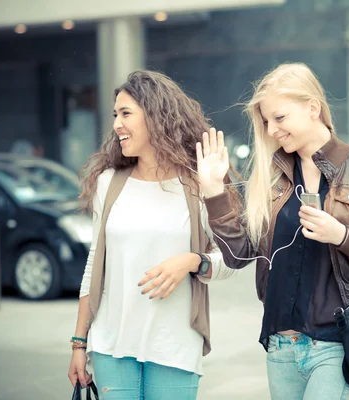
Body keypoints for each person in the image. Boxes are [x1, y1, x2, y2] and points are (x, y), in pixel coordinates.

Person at [197, 63, 349, 399]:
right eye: (266, 122)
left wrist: (341, 235)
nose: (272, 129)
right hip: (281, 346)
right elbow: (238, 255)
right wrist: (212, 191)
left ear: (312, 107)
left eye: (279, 118)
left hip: (341, 344)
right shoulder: (271, 179)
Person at [67, 70, 240, 400]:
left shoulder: (196, 185)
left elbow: (232, 261)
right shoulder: (109, 183)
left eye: (126, 113)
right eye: (115, 114)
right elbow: (95, 267)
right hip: (110, 346)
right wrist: (79, 342)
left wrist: (191, 261)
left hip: (174, 347)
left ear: (156, 116)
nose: (117, 123)